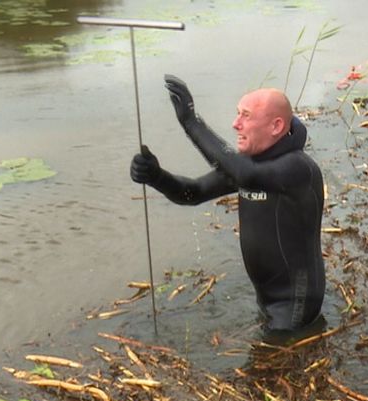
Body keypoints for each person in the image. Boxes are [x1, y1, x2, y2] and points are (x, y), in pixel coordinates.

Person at [130, 76, 325, 339]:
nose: (235, 124)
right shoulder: (252, 164)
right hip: (267, 300)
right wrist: (156, 176)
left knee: (276, 369)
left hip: (296, 304)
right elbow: (193, 193)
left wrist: (191, 122)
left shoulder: (298, 168)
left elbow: (245, 175)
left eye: (246, 116)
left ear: (276, 126)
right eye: (237, 114)